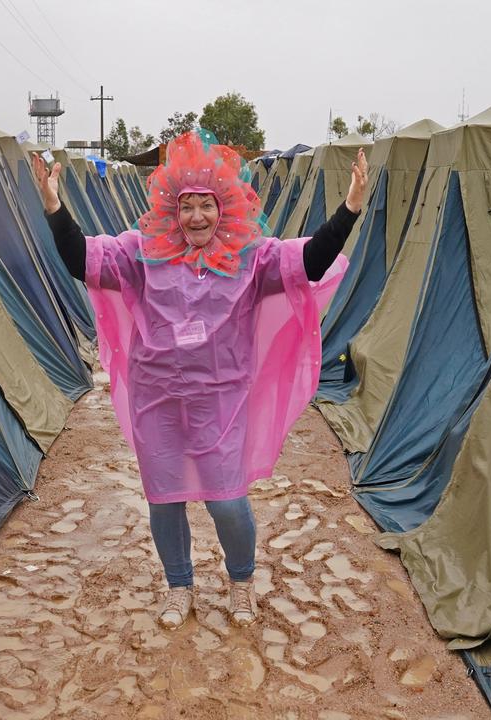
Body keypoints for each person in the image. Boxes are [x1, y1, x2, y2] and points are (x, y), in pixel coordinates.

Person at [33, 130, 364, 629]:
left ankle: (241, 580)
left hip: (221, 401)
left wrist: (350, 209)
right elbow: (84, 261)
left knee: (227, 501)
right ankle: (179, 585)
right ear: (173, 209)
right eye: (187, 207)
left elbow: (311, 259)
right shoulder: (143, 252)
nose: (196, 218)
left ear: (223, 207)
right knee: (164, 498)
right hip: (157, 398)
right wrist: (54, 206)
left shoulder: (251, 258)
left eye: (206, 206)